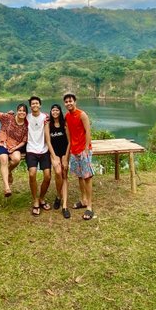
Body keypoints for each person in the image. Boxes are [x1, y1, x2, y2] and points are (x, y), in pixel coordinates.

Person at [63, 92, 95, 220]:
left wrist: (86, 149)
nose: (68, 103)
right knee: (80, 176)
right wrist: (70, 151)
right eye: (66, 102)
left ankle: (90, 207)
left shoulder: (82, 114)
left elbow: (88, 131)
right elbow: (70, 136)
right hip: (74, 150)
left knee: (87, 177)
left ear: (75, 101)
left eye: (70, 101)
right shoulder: (67, 116)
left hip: (83, 150)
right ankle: (83, 200)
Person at [26, 96, 52, 216]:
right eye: (32, 104)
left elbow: (58, 119)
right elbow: (15, 118)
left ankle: (41, 198)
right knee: (32, 174)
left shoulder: (45, 117)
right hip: (31, 149)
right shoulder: (26, 117)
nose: (35, 105)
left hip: (44, 149)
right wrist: (10, 113)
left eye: (36, 103)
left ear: (40, 105)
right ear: (30, 106)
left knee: (47, 176)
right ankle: (35, 200)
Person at [44, 103, 71, 219]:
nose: (55, 112)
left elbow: (69, 141)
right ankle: (59, 195)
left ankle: (64, 205)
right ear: (51, 112)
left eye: (57, 110)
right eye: (53, 110)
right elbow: (48, 142)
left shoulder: (65, 124)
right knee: (58, 172)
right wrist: (54, 156)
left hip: (65, 153)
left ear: (60, 112)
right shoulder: (48, 125)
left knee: (64, 174)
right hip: (54, 153)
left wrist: (65, 157)